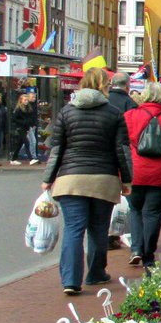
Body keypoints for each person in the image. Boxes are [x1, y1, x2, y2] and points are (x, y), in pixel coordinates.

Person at [41, 67, 132, 296]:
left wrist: (48, 179)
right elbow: (122, 150)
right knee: (98, 229)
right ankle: (95, 273)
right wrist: (127, 179)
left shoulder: (66, 112)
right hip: (104, 178)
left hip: (70, 179)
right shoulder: (113, 113)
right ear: (104, 86)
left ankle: (71, 280)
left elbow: (57, 149)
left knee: (73, 229)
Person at [123, 82, 161, 269]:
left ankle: (136, 248)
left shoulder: (130, 116)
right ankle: (148, 254)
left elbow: (123, 143)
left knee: (135, 210)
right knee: (154, 213)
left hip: (135, 171)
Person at [10, 93, 39, 164]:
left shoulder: (28, 108)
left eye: (27, 100)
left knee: (20, 144)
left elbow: (31, 117)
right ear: (21, 101)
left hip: (26, 127)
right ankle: (31, 159)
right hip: (20, 127)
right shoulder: (18, 109)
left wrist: (31, 123)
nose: (26, 101)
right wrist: (23, 122)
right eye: (25, 100)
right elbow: (14, 119)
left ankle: (13, 159)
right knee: (27, 142)